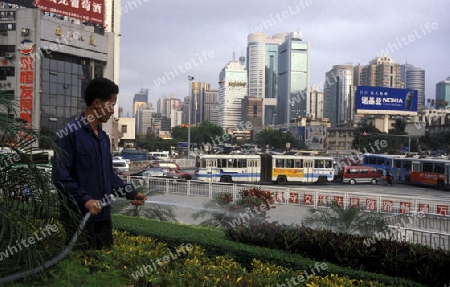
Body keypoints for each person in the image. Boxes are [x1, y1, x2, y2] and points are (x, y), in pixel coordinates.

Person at [52, 78, 147, 249]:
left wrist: (131, 193)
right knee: (79, 268)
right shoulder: (69, 134)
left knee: (103, 267)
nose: (112, 111)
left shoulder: (103, 138)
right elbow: (60, 176)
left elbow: (109, 176)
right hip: (78, 218)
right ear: (96, 103)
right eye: (111, 105)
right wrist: (85, 200)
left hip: (102, 218)